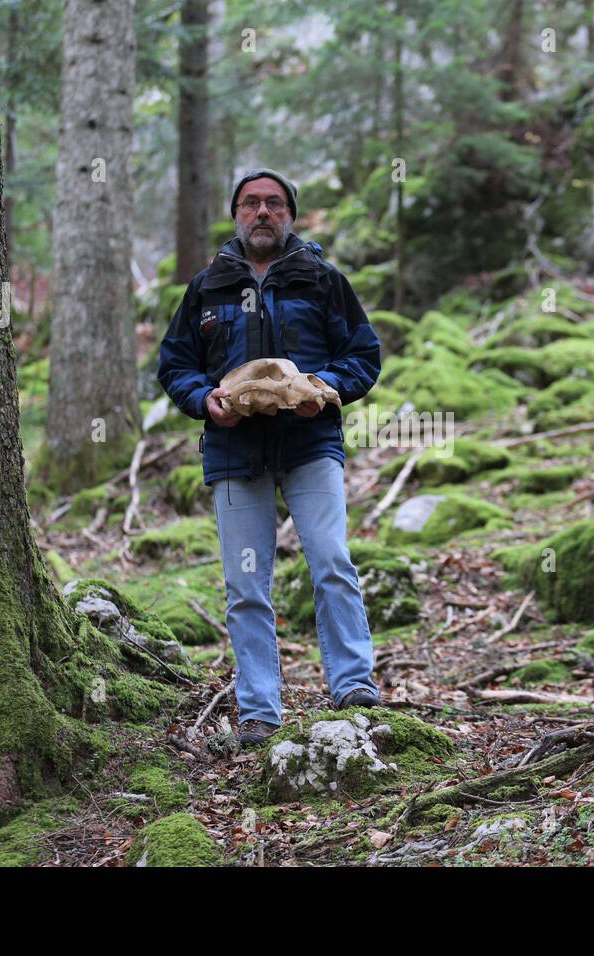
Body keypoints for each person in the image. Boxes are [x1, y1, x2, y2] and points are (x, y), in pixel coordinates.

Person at [157, 168, 384, 747]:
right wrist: (203, 401)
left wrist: (322, 389)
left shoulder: (322, 280)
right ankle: (259, 710)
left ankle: (354, 684)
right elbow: (174, 365)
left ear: (290, 214)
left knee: (331, 561)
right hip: (234, 453)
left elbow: (363, 354)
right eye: (252, 203)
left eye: (275, 204)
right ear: (237, 213)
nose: (263, 212)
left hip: (311, 444)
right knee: (246, 582)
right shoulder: (207, 286)